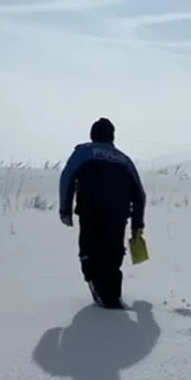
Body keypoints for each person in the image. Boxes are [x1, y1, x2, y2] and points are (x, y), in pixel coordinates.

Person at [58, 117, 146, 310]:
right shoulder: (124, 160)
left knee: (90, 252)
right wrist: (137, 225)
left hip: (91, 213)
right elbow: (139, 194)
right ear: (112, 137)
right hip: (118, 216)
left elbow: (67, 178)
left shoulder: (83, 153)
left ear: (92, 135)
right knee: (112, 257)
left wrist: (65, 210)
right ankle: (112, 298)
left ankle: (103, 297)